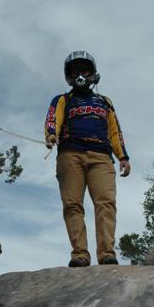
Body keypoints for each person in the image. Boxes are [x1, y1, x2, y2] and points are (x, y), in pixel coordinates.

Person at [44, 50, 131, 267]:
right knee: (72, 204)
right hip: (70, 154)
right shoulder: (63, 99)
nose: (80, 75)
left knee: (106, 203)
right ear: (69, 76)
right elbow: (53, 117)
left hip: (101, 156)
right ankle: (80, 254)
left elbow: (114, 131)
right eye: (75, 71)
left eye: (84, 70)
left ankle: (106, 254)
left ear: (92, 73)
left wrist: (123, 156)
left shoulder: (105, 102)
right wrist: (51, 134)